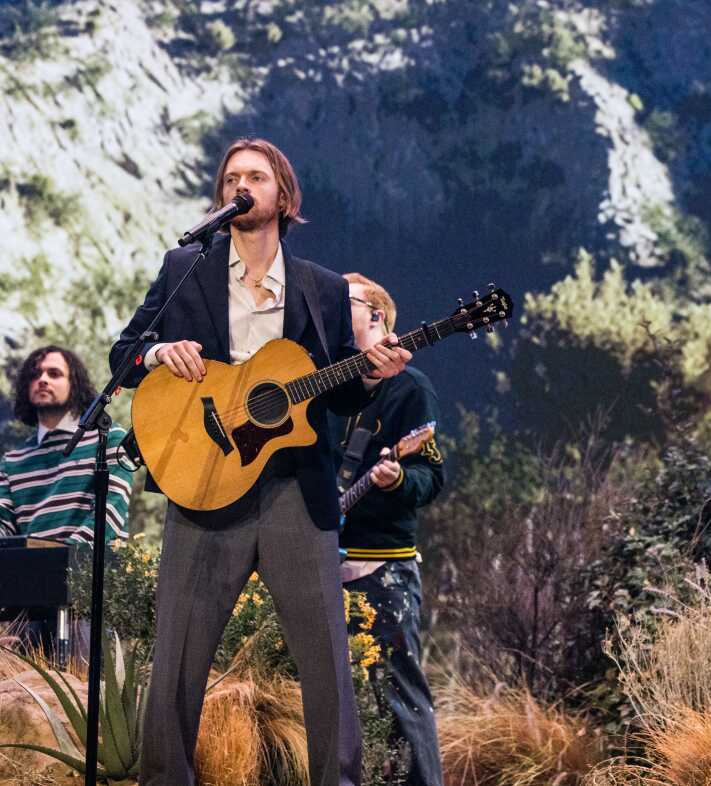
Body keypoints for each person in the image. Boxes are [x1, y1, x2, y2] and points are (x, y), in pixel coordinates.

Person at [108, 138, 411, 786]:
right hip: (204, 483)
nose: (240, 185)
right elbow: (123, 354)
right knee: (179, 659)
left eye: (255, 176)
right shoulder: (185, 268)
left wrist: (373, 375)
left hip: (292, 491)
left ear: (283, 196)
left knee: (326, 661)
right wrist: (158, 357)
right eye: (231, 178)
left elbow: (337, 390)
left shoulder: (321, 289)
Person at [336, 273, 445, 786]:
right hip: (319, 566)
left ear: (375, 315)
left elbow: (431, 475)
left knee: (399, 697)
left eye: (344, 303)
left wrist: (398, 476)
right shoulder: (328, 382)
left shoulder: (410, 388)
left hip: (381, 568)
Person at [1, 345, 132, 544]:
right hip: (28, 570)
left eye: (54, 374)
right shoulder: (12, 462)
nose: (42, 380)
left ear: (75, 384)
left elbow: (109, 515)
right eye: (35, 375)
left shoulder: (109, 438)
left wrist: (61, 560)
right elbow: (4, 528)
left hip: (91, 571)